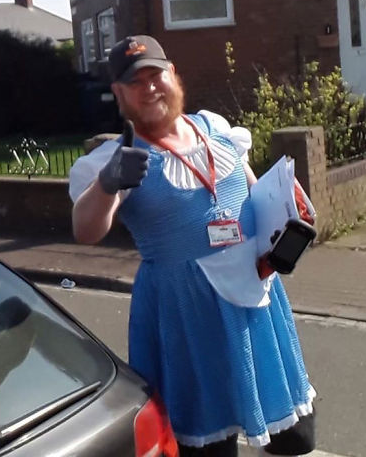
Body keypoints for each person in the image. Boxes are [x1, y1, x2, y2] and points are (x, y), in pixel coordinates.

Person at [69, 35, 316, 456]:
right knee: (210, 442)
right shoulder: (113, 160)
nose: (149, 87)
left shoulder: (215, 128)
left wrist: (289, 217)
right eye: (135, 81)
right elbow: (86, 230)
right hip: (185, 311)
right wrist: (108, 184)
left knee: (295, 438)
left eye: (155, 74)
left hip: (253, 296)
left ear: (173, 74)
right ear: (119, 93)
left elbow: (256, 196)